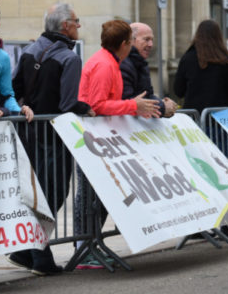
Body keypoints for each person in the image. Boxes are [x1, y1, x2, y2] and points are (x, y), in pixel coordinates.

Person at [7, 3, 92, 276]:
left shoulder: (29, 51)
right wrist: (85, 107)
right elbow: (68, 103)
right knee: (53, 194)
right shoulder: (70, 58)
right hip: (54, 136)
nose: (79, 26)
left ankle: (24, 251)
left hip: (28, 133)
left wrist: (26, 109)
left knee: (36, 194)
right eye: (76, 21)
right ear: (65, 25)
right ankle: (39, 257)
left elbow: (14, 90)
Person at [75, 20, 160, 269]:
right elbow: (99, 104)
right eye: (131, 43)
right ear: (124, 44)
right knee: (89, 193)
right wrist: (133, 105)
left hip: (103, 136)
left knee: (99, 194)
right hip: (93, 136)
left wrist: (133, 104)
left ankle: (91, 244)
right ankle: (84, 247)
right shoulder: (103, 64)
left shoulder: (111, 61)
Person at [174, 19, 228, 113]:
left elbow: (178, 90)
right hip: (220, 118)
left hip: (194, 118)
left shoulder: (187, 58)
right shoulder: (226, 60)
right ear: (219, 36)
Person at [120, 22, 178, 117]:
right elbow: (129, 101)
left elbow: (147, 95)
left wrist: (163, 104)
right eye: (146, 39)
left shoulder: (140, 63)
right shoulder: (123, 64)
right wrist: (162, 107)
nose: (150, 44)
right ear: (131, 40)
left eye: (152, 40)